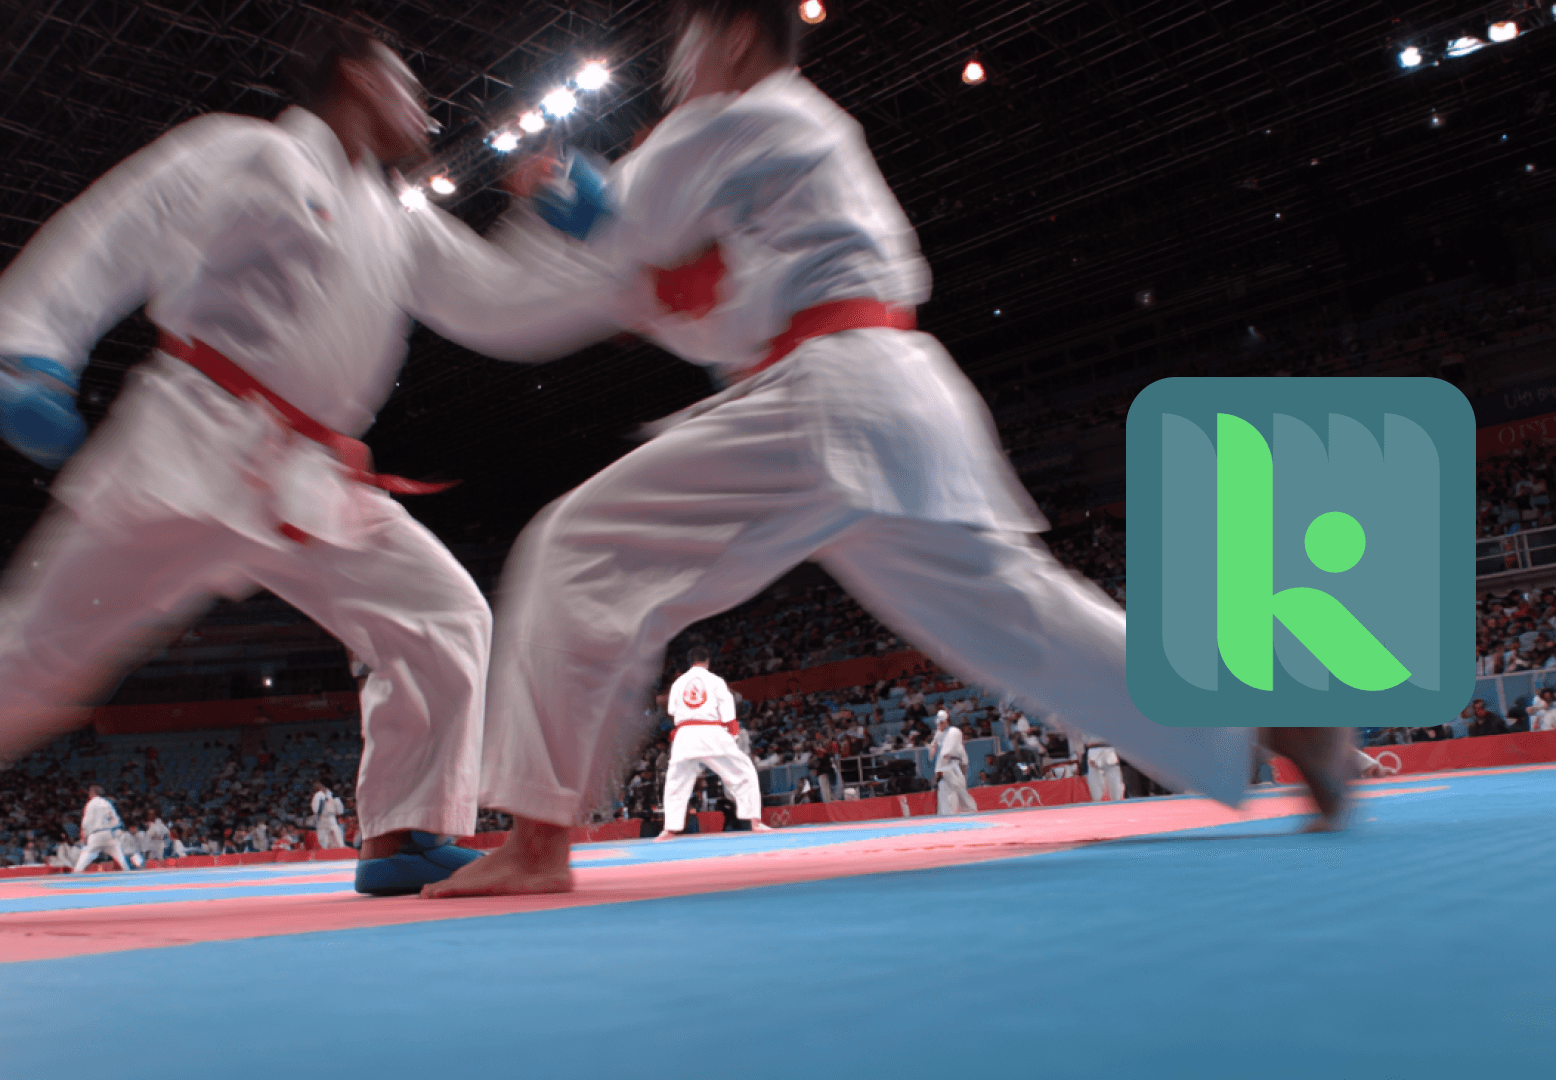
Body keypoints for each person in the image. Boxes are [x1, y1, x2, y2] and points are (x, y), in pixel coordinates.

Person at [428, 0, 1350, 899]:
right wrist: (650, 280)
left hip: (826, 396)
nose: (677, 69)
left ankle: (538, 840)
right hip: (893, 398)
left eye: (687, 39)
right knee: (1023, 620)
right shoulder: (801, 136)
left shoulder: (738, 115)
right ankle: (1271, 720)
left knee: (579, 544)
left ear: (736, 33)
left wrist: (553, 186)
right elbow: (696, 292)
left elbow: (622, 221)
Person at [0, 26, 644, 896]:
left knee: (441, 614)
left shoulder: (396, 221)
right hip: (196, 446)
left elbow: (496, 304)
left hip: (312, 484)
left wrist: (580, 241)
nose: (425, 107)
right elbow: (127, 222)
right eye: (406, 82)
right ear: (358, 76)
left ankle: (402, 834)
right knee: (34, 665)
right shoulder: (254, 153)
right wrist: (33, 346)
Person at [656, 647, 774, 839]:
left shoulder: (678, 683)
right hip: (711, 731)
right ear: (707, 661)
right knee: (744, 771)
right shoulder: (716, 681)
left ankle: (669, 828)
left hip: (685, 734)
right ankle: (755, 821)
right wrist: (732, 733)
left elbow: (672, 711)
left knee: (676, 781)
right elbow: (728, 712)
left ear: (690, 662)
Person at [71, 785, 131, 873]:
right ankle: (127, 870)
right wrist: (112, 828)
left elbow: (86, 822)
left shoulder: (89, 804)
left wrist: (84, 836)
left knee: (87, 854)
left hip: (95, 835)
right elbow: (116, 820)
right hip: (107, 833)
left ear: (93, 793)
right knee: (118, 853)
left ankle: (76, 872)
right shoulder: (105, 803)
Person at [931, 711, 978, 816]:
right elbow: (937, 748)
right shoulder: (940, 734)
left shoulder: (953, 732)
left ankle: (971, 811)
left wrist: (938, 770)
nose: (939, 725)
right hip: (947, 767)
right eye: (938, 723)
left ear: (946, 721)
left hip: (953, 766)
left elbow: (946, 753)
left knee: (959, 791)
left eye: (941, 723)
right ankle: (946, 815)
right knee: (945, 792)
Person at [310, 782, 346, 851]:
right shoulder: (319, 796)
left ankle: (340, 848)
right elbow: (315, 810)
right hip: (325, 818)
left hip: (328, 818)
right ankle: (331, 849)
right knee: (327, 838)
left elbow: (340, 811)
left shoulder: (331, 797)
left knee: (334, 836)